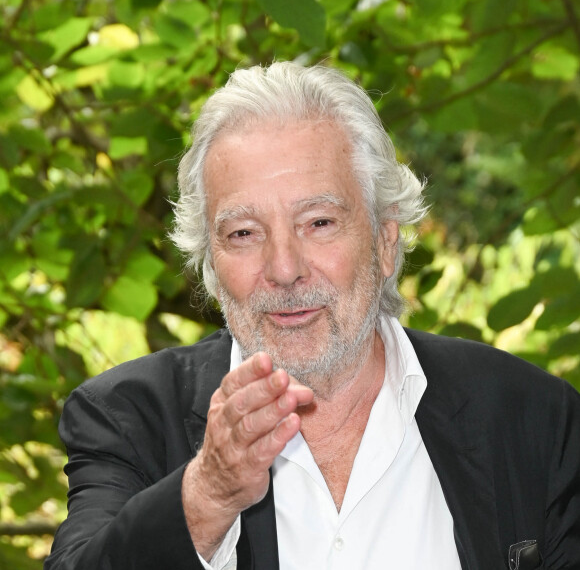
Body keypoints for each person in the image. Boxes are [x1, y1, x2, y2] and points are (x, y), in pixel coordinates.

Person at [45, 62, 580, 570]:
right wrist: (207, 494)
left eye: (319, 222)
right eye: (243, 234)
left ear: (385, 241)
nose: (283, 269)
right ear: (209, 261)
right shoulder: (127, 418)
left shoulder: (533, 417)